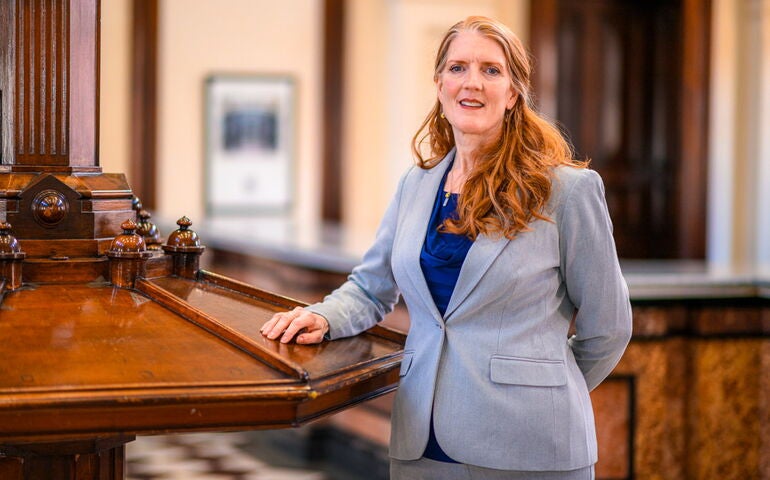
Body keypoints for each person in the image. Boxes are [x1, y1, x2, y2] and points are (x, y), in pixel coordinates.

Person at [261, 15, 632, 480]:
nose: (471, 82)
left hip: (530, 443)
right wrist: (323, 315)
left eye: (491, 70)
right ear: (439, 84)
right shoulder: (416, 184)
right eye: (457, 68)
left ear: (513, 93)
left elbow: (609, 326)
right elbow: (372, 288)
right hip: (422, 437)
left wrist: (550, 387)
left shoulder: (567, 191)